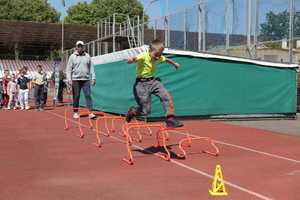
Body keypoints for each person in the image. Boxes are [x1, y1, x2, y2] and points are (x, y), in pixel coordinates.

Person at [126, 39, 183, 128]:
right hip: (141, 84)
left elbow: (166, 59)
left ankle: (170, 119)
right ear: (150, 51)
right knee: (146, 111)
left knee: (166, 96)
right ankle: (133, 111)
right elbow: (135, 58)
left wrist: (174, 63)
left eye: (160, 54)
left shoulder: (159, 57)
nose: (158, 57)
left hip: (153, 82)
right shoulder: (144, 55)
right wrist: (131, 60)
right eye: (156, 55)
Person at [66, 41, 96, 119]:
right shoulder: (72, 56)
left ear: (83, 47)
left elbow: (91, 67)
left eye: (81, 46)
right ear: (76, 47)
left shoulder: (87, 56)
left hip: (86, 79)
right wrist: (69, 79)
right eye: (78, 46)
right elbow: (68, 69)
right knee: (76, 96)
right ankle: (75, 112)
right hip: (75, 79)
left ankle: (90, 112)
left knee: (88, 95)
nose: (80, 47)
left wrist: (93, 77)